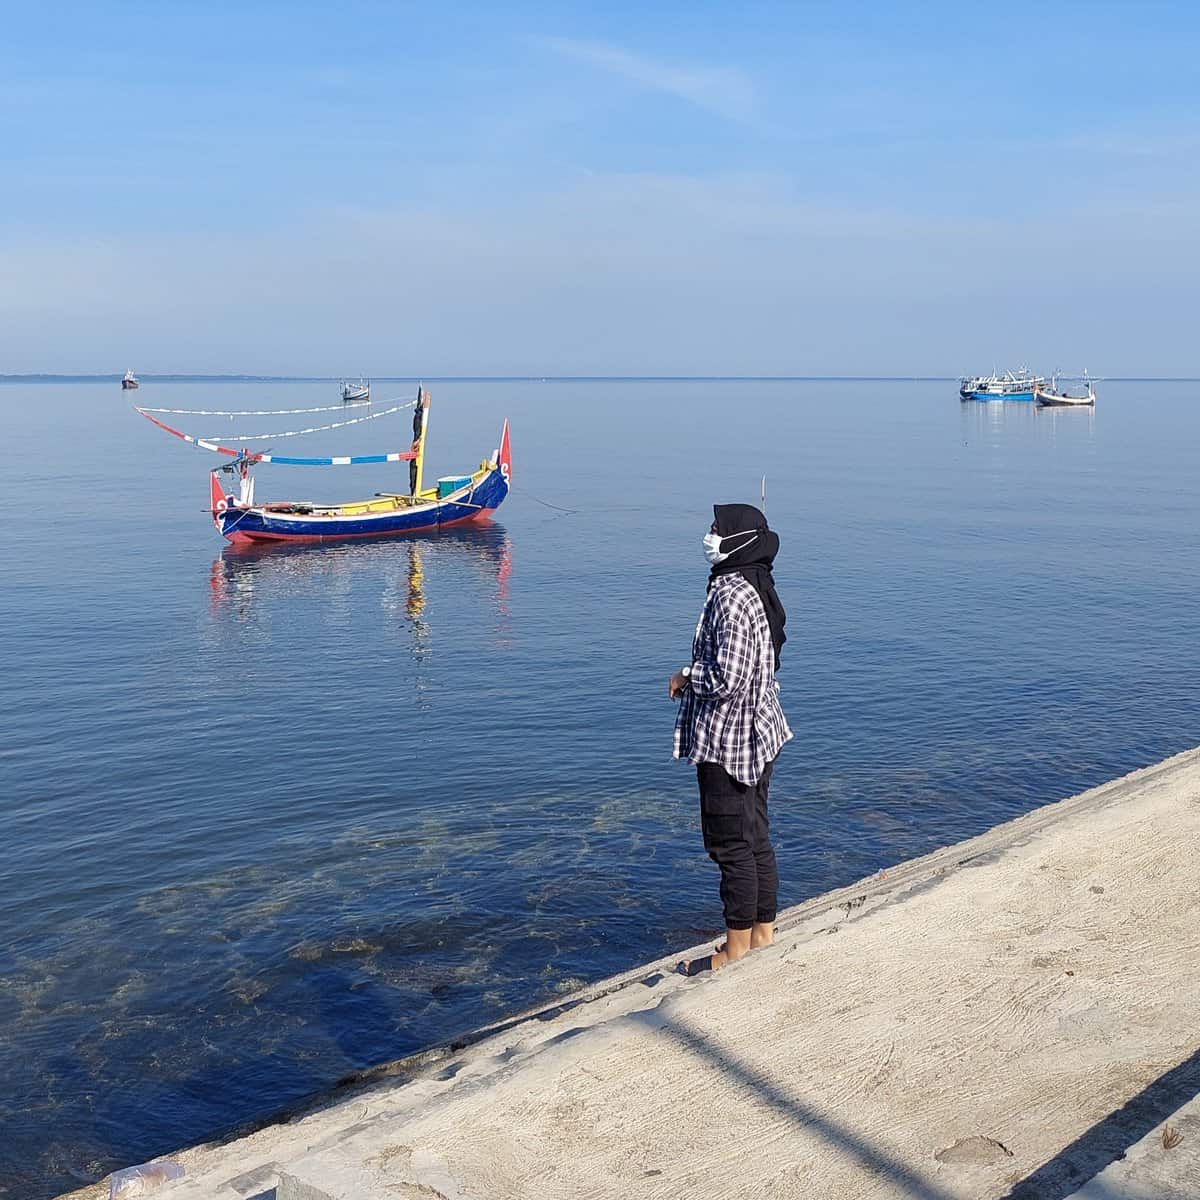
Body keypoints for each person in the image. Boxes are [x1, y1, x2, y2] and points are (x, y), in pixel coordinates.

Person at [670, 503, 791, 975]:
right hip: (760, 730)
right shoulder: (756, 588)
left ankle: (735, 947)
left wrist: (687, 675)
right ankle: (762, 933)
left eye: (717, 529)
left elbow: (730, 677)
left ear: (737, 540)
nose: (709, 535)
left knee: (729, 842)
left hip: (730, 738)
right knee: (755, 835)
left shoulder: (731, 594)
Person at [409, 387, 429, 495]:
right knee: (413, 469)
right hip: (416, 446)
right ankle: (414, 492)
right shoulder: (418, 417)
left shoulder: (419, 417)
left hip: (417, 442)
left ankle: (414, 491)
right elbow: (416, 435)